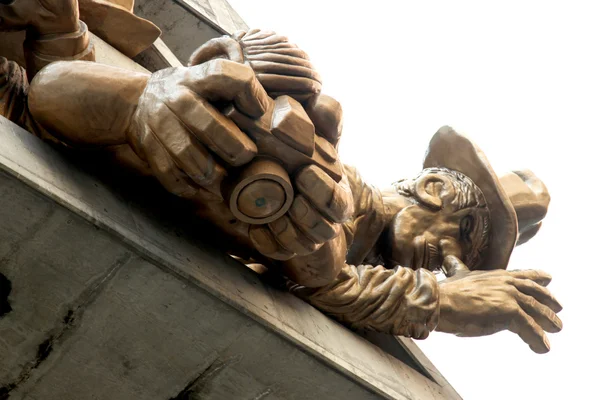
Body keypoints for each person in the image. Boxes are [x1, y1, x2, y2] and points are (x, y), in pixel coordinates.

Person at [0, 0, 562, 354]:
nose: (451, 263)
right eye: (462, 238)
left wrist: (441, 300)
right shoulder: (336, 197)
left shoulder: (327, 217)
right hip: (40, 94)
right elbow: (328, 278)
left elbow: (329, 278)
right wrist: (441, 303)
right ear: (434, 191)